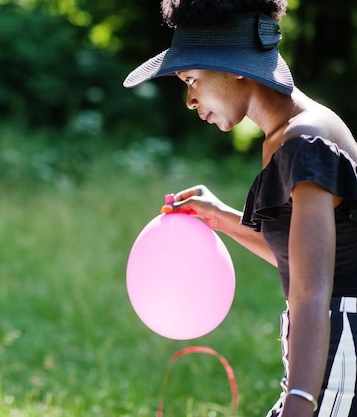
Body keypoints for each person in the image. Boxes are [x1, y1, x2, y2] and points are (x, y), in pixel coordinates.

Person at [123, 1, 357, 416]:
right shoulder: (287, 136)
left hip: (342, 363)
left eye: (192, 79)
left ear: (234, 64)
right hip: (327, 358)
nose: (190, 100)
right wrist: (222, 217)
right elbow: (305, 265)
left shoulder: (304, 140)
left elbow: (312, 292)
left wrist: (300, 403)